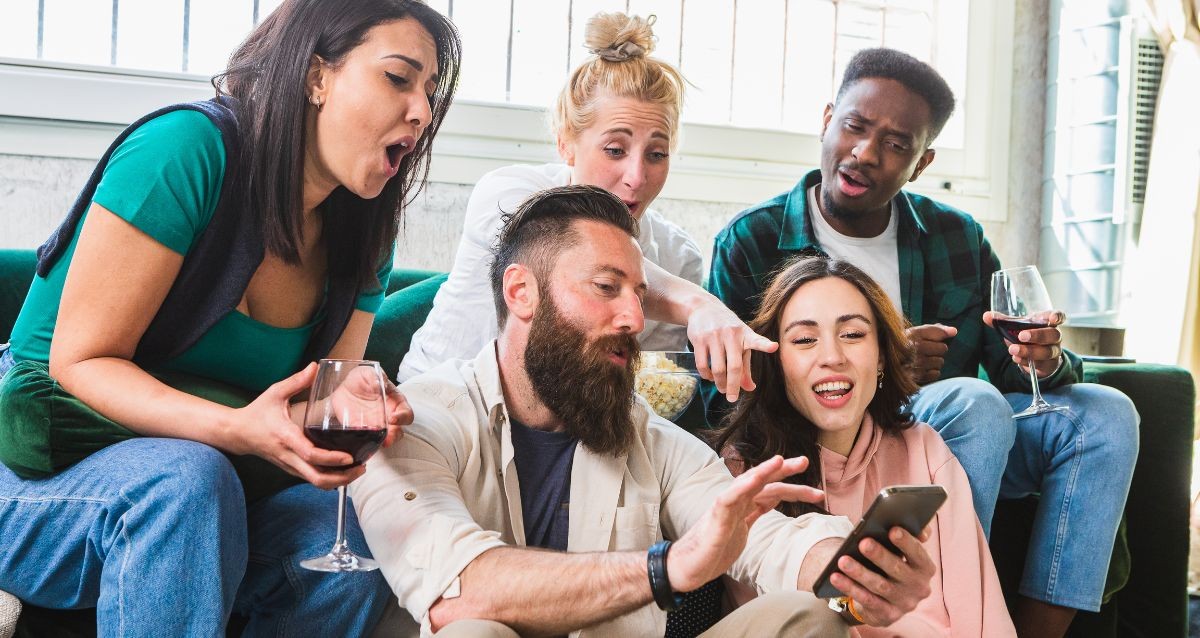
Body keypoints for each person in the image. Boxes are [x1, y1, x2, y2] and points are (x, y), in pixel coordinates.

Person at [0, 0, 461, 634]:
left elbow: (321, 395)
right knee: (187, 481)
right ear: (316, 76)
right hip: (35, 469)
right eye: (397, 77)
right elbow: (80, 361)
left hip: (208, 486)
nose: (422, 112)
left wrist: (358, 400)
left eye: (430, 92)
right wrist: (238, 429)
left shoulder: (366, 231)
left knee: (356, 541)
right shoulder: (185, 150)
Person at [351, 185, 937, 638]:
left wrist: (850, 570)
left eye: (638, 294)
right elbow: (459, 590)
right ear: (521, 292)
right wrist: (665, 567)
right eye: (607, 288)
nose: (635, 318)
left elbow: (765, 539)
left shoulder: (648, 438)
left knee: (808, 617)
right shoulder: (414, 419)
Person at [705, 47, 1139, 637]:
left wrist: (1043, 357)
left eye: (895, 143)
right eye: (854, 127)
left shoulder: (956, 236)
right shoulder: (752, 240)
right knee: (974, 402)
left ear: (921, 162)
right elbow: (725, 397)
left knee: (1107, 413)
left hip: (947, 431)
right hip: (853, 430)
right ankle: (939, 606)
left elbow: (1010, 368)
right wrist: (877, 363)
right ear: (827, 120)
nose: (865, 153)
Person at [399, 12, 767, 403]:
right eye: (615, 150)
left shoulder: (678, 256)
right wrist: (697, 302)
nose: (636, 177)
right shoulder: (508, 193)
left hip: (567, 430)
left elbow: (649, 390)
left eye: (657, 154)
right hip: (439, 405)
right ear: (566, 145)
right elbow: (577, 253)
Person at [711, 255, 1015, 637]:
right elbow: (786, 623)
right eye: (804, 340)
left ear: (882, 355)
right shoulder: (745, 472)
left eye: (853, 335)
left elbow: (980, 613)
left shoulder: (925, 448)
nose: (832, 358)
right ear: (776, 361)